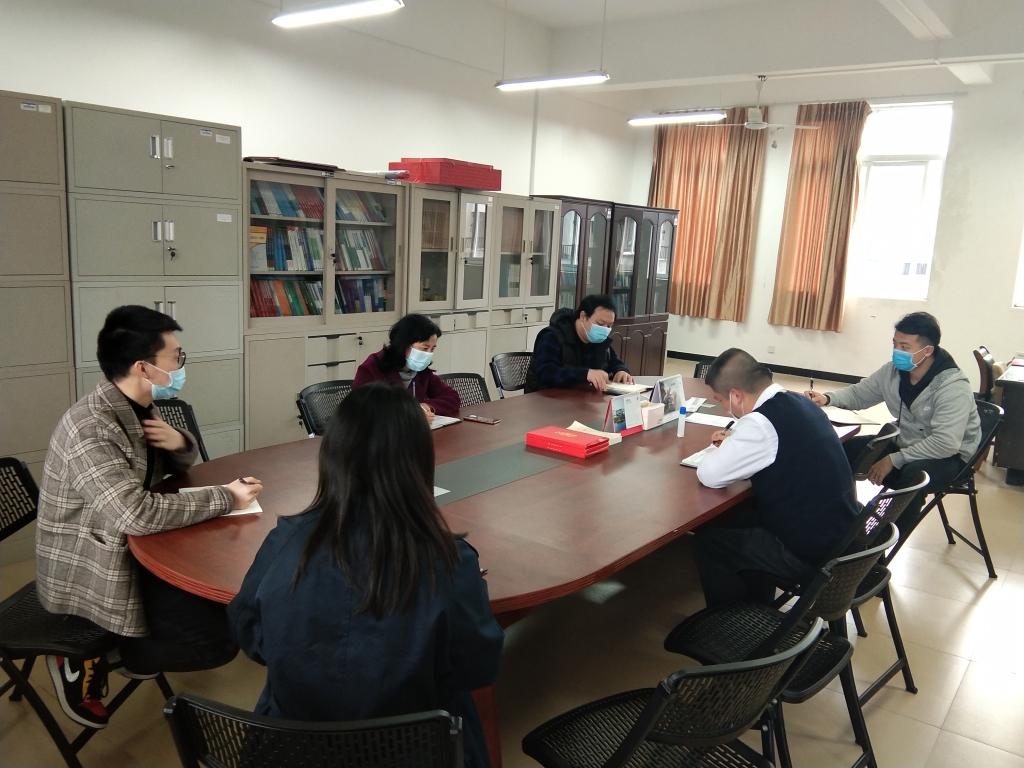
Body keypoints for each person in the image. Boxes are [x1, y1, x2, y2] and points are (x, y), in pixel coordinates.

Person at [228, 383, 503, 768]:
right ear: (419, 463)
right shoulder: (448, 561)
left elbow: (249, 632)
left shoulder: (286, 540)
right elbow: (477, 665)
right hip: (415, 749)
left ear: (332, 456)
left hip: (291, 748)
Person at [35, 305, 263, 729]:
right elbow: (134, 513)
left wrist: (179, 442)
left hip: (142, 544)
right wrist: (226, 497)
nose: (180, 365)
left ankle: (130, 649)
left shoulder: (138, 406)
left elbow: (166, 472)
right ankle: (90, 655)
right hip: (97, 560)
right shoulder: (90, 427)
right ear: (143, 367)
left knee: (225, 608)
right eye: (176, 357)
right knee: (215, 644)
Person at [694, 348, 859, 607]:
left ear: (736, 396)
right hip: (840, 535)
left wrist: (723, 447)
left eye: (721, 401)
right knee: (736, 516)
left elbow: (710, 475)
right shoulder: (800, 401)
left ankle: (732, 621)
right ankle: (756, 601)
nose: (724, 409)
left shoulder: (760, 423)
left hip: (810, 553)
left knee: (710, 543)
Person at [805, 311, 981, 536]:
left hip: (950, 457)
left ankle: (878, 543)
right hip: (906, 442)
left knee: (914, 478)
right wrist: (827, 398)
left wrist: (894, 459)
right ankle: (838, 519)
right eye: (895, 344)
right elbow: (860, 394)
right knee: (839, 451)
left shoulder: (953, 387)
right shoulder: (894, 371)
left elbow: (946, 443)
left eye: (905, 347)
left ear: (927, 351)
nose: (897, 351)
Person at [353, 313, 460, 424]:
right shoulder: (372, 368)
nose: (428, 354)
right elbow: (362, 409)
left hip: (414, 432)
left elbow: (452, 397)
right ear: (404, 345)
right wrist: (411, 413)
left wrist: (427, 406)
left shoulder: (421, 371)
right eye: (424, 348)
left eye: (432, 349)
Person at [523, 294, 634, 393]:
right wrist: (585, 374)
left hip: (582, 399)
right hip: (546, 400)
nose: (604, 330)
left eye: (609, 326)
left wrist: (621, 371)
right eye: (600, 324)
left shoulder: (598, 339)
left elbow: (613, 361)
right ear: (583, 316)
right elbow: (546, 374)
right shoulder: (553, 336)